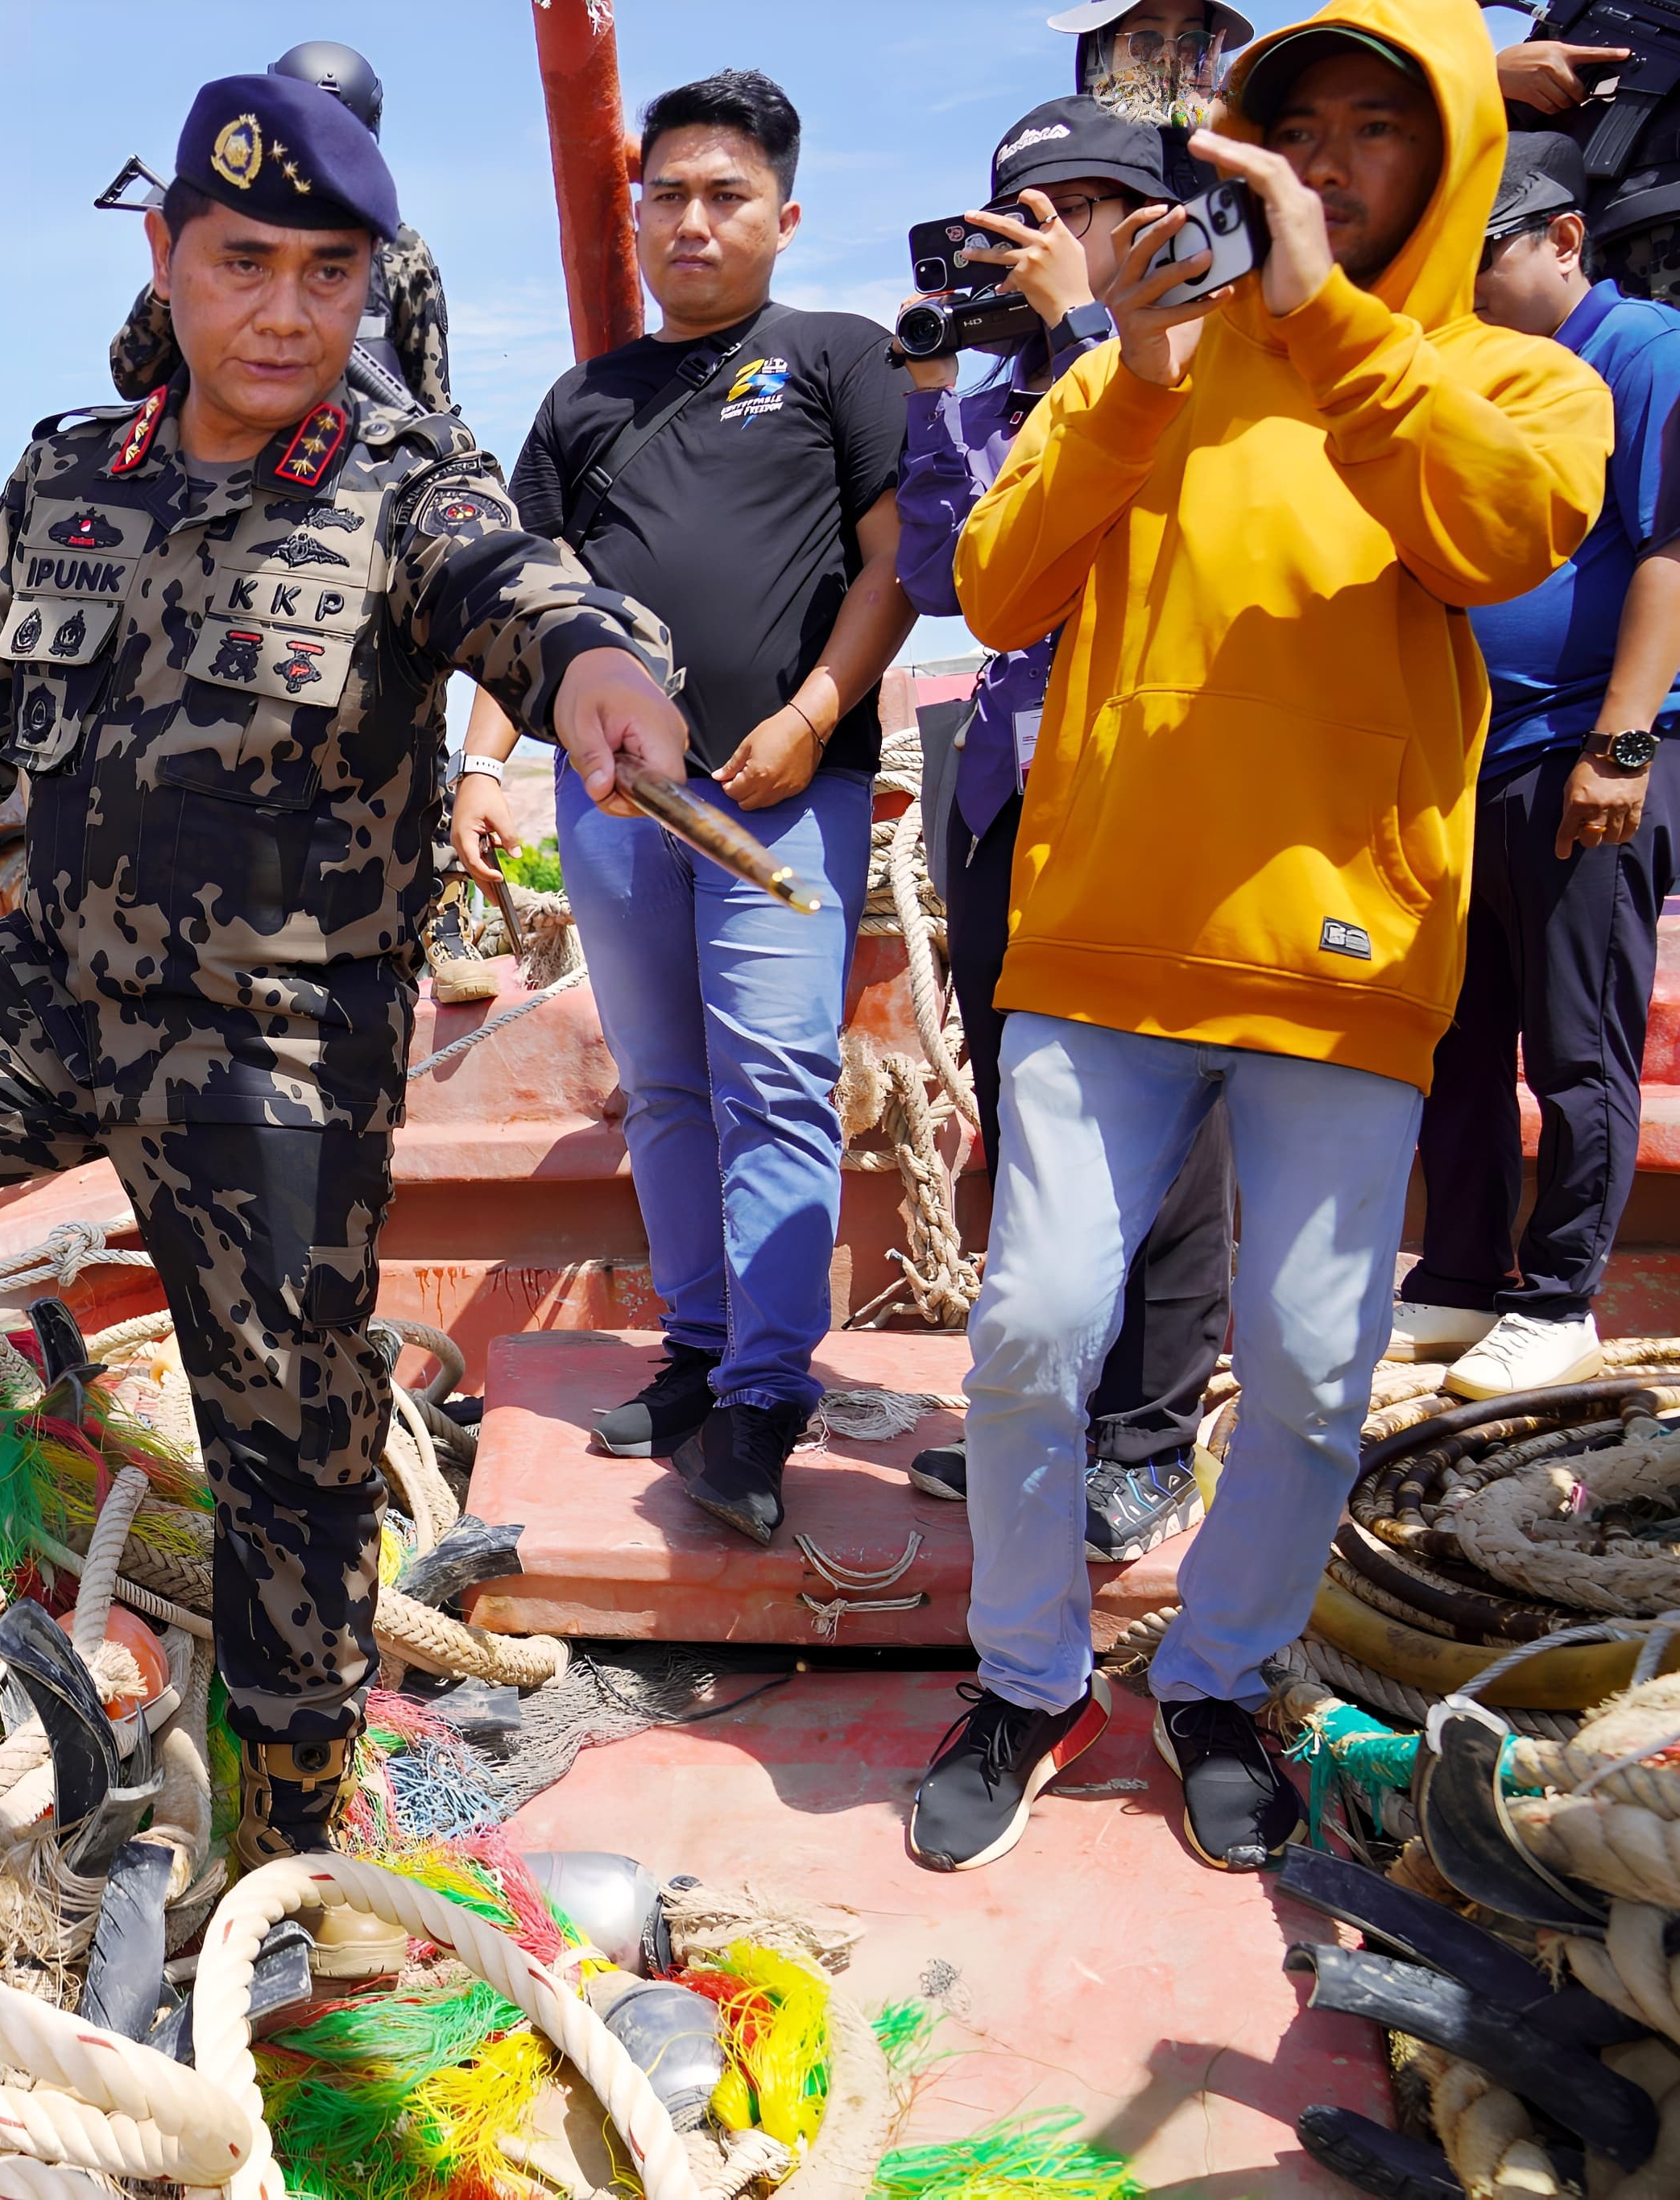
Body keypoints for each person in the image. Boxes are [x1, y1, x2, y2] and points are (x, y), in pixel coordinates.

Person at [0, 71, 690, 1977]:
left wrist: (599, 667)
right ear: (168, 257)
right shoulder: (62, 478)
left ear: (374, 287)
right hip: (51, 987)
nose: (284, 310)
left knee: (294, 1426)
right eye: (244, 260)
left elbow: (523, 591)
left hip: (270, 1030)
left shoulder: (404, 485)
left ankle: (292, 1812)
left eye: (327, 273)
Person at [912, 0, 1608, 1878]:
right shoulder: (1153, 358)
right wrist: (1131, 372)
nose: (1329, 158)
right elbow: (994, 580)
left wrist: (1324, 321)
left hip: (1345, 968)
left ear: (1450, 155)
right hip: (1101, 948)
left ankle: (1215, 1680)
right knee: (1030, 1334)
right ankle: (1030, 1671)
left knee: (1308, 1373)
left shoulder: (1513, 380)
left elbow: (1499, 536)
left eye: (1380, 127)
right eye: (1296, 125)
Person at [450, 68, 915, 1545]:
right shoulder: (585, 400)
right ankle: (702, 1348)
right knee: (661, 1086)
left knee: (775, 1080)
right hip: (612, 797)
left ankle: (769, 1390)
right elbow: (522, 594)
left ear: (783, 214)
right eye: (668, 196)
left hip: (784, 789)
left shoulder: (840, 358)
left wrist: (812, 714)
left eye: (726, 197)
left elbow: (896, 555)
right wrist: (481, 760)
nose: (693, 223)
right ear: (636, 214)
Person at [891, 101, 1231, 1561]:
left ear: (1158, 224)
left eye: (1087, 205)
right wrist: (923, 395)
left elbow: (1189, 517)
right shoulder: (986, 398)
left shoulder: (1223, 361)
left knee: (1166, 1118)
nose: (1053, 238)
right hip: (1004, 783)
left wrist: (1101, 336)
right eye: (1029, 213)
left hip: (1161, 774)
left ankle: (1146, 1437)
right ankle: (1044, 1418)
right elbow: (940, 576)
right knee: (1032, 1109)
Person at [1392, 133, 1680, 1396]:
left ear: (1565, 240)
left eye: (1484, 257)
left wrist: (1620, 745)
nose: (1463, 289)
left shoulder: (1646, 351)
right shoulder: (1475, 374)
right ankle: (1458, 1282)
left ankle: (1561, 1299)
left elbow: (1673, 551)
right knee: (1457, 1038)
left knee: (1576, 1042)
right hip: (1473, 762)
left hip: (1591, 751)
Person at [108, 41, 452, 412]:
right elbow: (132, 374)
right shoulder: (219, 233)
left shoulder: (400, 248)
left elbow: (427, 411)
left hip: (354, 459)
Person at [1051, 0, 1254, 126]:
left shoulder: (1216, 153)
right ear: (1101, 48)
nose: (1170, 57)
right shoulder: (1061, 155)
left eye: (1191, 42)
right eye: (1145, 41)